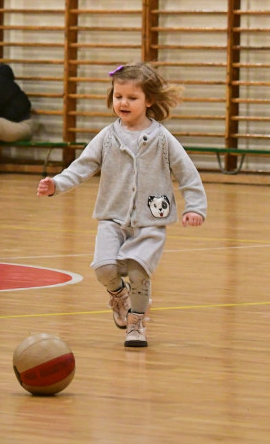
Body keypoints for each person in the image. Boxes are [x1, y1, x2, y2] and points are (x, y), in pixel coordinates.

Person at [36, 62, 207, 347]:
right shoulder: (106, 136)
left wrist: (195, 207)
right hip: (111, 218)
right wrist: (57, 184)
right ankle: (118, 296)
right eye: (118, 97)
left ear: (148, 100)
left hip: (150, 221)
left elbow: (188, 174)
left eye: (132, 97)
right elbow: (82, 167)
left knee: (139, 273)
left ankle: (136, 323)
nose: (123, 103)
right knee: (103, 268)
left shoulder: (163, 139)